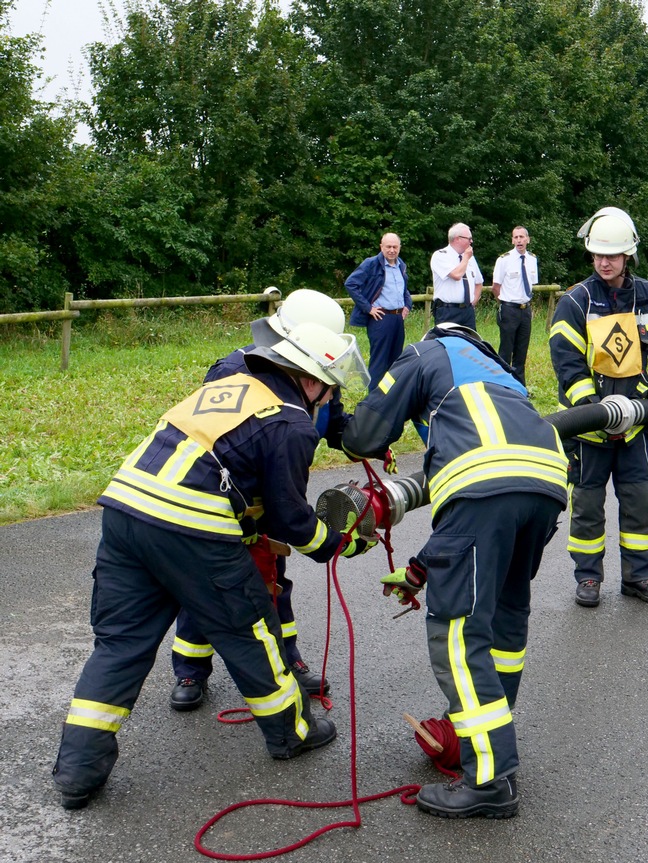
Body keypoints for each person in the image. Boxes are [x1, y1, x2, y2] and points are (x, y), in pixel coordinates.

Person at [51, 321, 371, 810]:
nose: (328, 402)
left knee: (120, 646)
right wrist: (340, 545)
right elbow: (291, 520)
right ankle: (291, 733)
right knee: (250, 631)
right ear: (312, 379)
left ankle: (77, 773)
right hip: (191, 531)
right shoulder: (291, 421)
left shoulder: (233, 385)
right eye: (328, 393)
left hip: (124, 512)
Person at [341, 323, 567, 819]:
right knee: (504, 617)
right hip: (545, 487)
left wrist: (334, 416)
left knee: (459, 635)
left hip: (484, 487)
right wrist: (422, 567)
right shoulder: (502, 373)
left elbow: (363, 435)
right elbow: (473, 534)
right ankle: (486, 738)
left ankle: (488, 779)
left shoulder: (426, 353)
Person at [168, 289, 350, 712]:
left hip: (275, 490)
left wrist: (364, 441)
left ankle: (288, 663)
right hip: (227, 500)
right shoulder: (234, 367)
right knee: (207, 584)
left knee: (274, 582)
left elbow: (332, 420)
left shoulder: (317, 366)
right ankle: (191, 671)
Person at [549, 207, 648, 609]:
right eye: (597, 255)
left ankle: (640, 577)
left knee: (641, 501)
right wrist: (593, 409)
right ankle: (589, 578)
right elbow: (567, 362)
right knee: (588, 506)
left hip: (636, 426)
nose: (604, 262)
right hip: (589, 430)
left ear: (628, 255)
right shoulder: (576, 302)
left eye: (612, 255)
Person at [346, 232, 413, 391]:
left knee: (396, 360)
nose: (392, 250)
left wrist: (407, 305)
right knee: (379, 361)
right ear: (381, 247)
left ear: (399, 248)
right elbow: (351, 284)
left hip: (397, 319)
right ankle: (373, 400)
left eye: (395, 247)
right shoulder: (371, 264)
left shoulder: (401, 265)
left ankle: (390, 396)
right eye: (388, 246)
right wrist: (368, 308)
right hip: (380, 319)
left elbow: (404, 289)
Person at [491, 225, 538, 384]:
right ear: (512, 240)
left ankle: (519, 387)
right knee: (506, 350)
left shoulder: (532, 259)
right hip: (509, 310)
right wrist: (505, 304)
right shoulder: (504, 260)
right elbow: (495, 287)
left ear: (527, 239)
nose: (519, 240)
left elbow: (531, 284)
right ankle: (502, 385)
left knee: (521, 350)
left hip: (525, 310)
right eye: (516, 237)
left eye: (522, 237)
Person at [430, 223, 484, 330]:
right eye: (469, 239)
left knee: (470, 344)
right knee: (448, 344)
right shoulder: (441, 255)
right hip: (447, 311)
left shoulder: (470, 258)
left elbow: (479, 282)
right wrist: (465, 259)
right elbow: (457, 275)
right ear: (457, 239)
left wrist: (473, 302)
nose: (471, 242)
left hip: (467, 311)